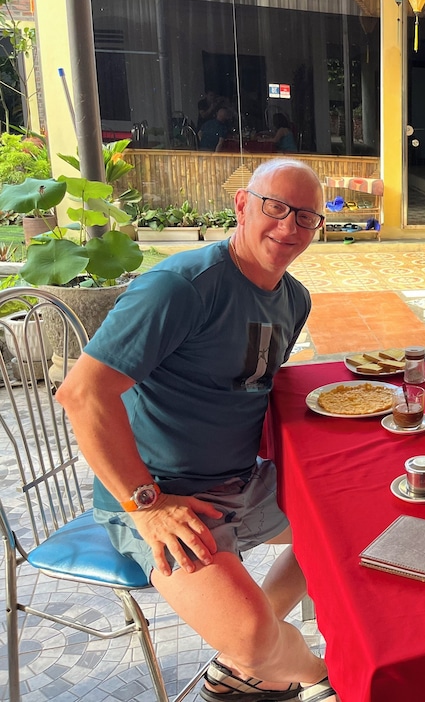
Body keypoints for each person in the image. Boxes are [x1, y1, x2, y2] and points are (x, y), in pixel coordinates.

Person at [56, 159, 337, 702]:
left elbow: (252, 386)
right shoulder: (181, 287)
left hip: (242, 482)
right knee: (252, 635)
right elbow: (82, 394)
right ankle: (319, 674)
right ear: (241, 205)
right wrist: (147, 506)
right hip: (161, 495)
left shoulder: (294, 298)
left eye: (306, 217)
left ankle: (245, 663)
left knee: (356, 522)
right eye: (275, 207)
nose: (289, 227)